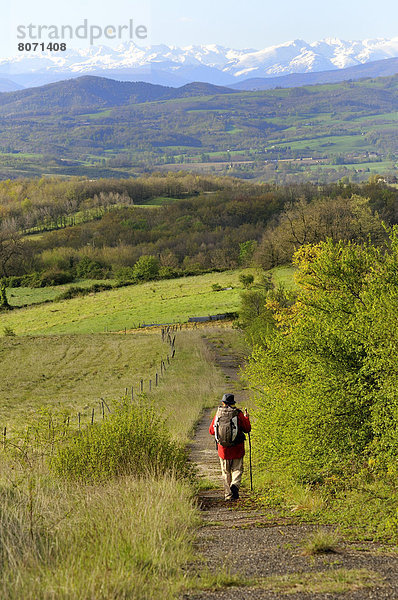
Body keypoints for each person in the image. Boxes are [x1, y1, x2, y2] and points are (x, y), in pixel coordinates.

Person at [209, 393, 251, 501]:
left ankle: (228, 495)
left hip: (223, 450)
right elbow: (247, 428)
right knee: (237, 469)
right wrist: (247, 418)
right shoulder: (238, 413)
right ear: (233, 403)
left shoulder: (218, 414)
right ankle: (235, 486)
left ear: (223, 402)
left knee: (225, 472)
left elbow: (211, 431)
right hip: (237, 448)